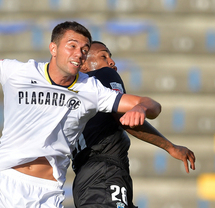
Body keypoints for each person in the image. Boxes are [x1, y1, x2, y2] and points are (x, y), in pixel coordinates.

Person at [0, 20, 162, 208]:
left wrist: (139, 107)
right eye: (72, 45)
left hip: (45, 193)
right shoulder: (19, 72)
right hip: (2, 182)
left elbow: (151, 104)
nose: (79, 53)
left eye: (84, 49)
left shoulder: (91, 89)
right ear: (53, 48)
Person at [72, 41, 196, 208]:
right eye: (103, 56)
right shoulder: (103, 75)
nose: (111, 62)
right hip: (104, 173)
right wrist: (170, 147)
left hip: (85, 179)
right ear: (84, 65)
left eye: (110, 57)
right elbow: (124, 118)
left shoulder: (71, 96)